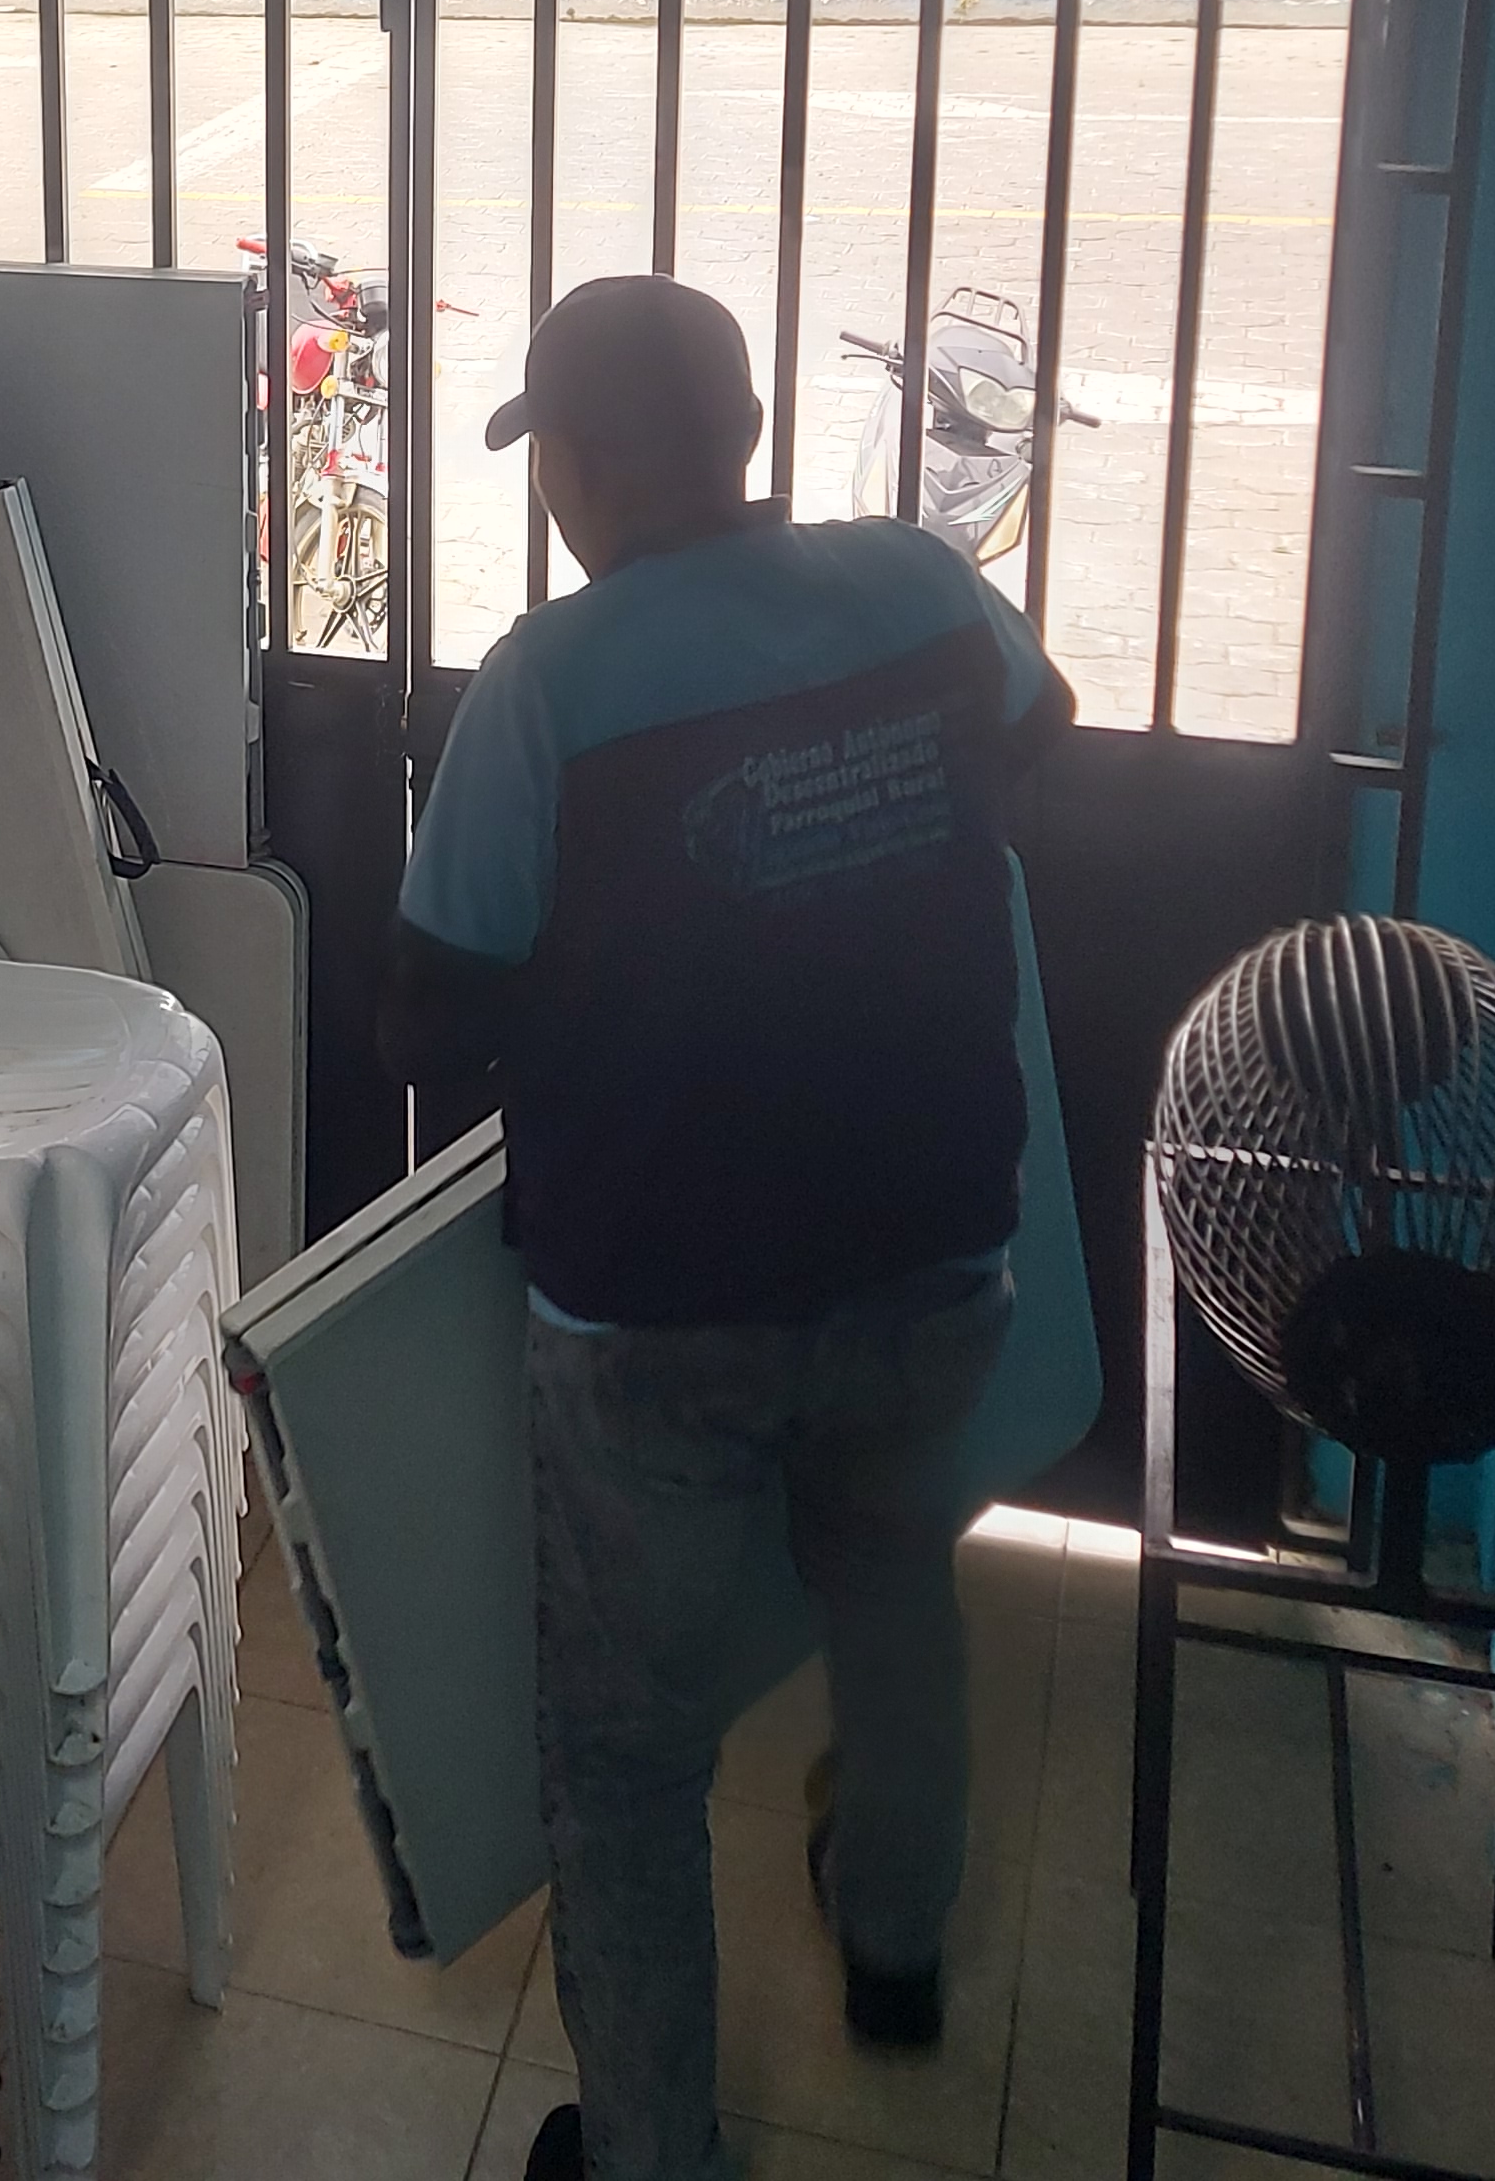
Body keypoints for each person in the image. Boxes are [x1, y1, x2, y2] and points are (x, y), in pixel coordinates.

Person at [383, 275, 1072, 2181]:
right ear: (752, 434)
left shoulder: (547, 684)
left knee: (626, 1756)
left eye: (552, 455)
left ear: (573, 466)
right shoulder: (919, 586)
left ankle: (652, 2155)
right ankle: (898, 1950)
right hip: (934, 1257)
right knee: (896, 1594)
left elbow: (426, 1020)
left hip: (656, 1323)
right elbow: (1044, 741)